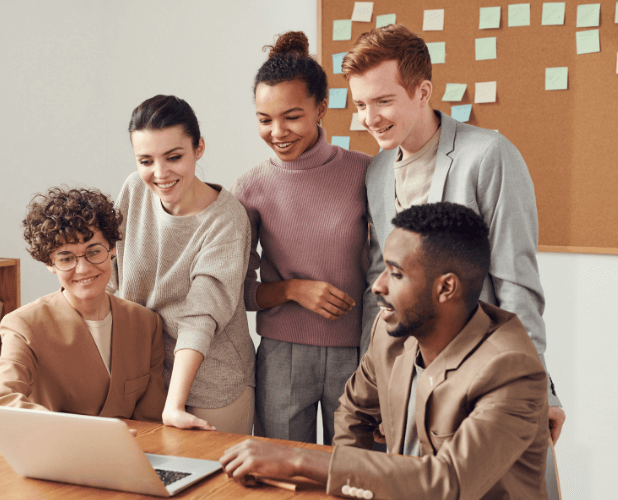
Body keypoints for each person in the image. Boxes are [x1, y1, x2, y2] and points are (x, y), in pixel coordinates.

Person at [221, 202, 550, 499]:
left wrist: (299, 459)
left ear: (446, 287)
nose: (378, 287)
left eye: (396, 274)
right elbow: (354, 411)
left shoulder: (511, 369)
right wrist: (346, 490)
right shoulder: (391, 333)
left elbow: (447, 482)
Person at [344, 24, 565, 443]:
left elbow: (517, 283)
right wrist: (376, 390)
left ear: (423, 92)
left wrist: (538, 388)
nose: (369, 118)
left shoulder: (488, 155)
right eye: (361, 104)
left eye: (384, 101)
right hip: (407, 377)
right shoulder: (375, 171)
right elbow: (382, 285)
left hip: (483, 371)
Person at [231, 31, 372, 444]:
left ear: (321, 108)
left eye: (292, 116)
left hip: (357, 354)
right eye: (264, 119)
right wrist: (292, 290)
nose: (278, 131)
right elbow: (237, 292)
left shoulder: (367, 173)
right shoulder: (250, 188)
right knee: (281, 480)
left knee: (355, 476)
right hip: (280, 356)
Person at [113, 95, 255, 434]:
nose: (160, 174)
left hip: (214, 381)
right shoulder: (134, 191)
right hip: (146, 373)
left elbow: (201, 314)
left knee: (216, 484)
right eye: (146, 160)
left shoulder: (226, 218)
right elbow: (109, 272)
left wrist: (174, 404)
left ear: (199, 148)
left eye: (173, 157)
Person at [0, 187, 166, 423]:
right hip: (58, 454)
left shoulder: (146, 323)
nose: (84, 269)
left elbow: (152, 417)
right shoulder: (24, 325)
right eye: (67, 258)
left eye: (94, 251)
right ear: (49, 263)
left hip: (135, 452)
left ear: (112, 250)